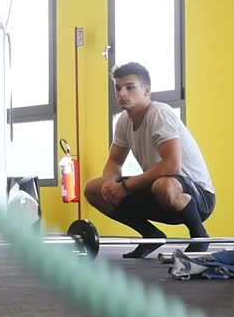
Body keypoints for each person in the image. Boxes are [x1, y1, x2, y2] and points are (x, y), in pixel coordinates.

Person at [84, 62, 215, 259]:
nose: (122, 93)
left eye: (130, 87)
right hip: (160, 191)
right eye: (118, 88)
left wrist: (125, 187)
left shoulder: (159, 113)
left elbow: (172, 165)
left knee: (164, 185)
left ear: (147, 91)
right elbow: (114, 161)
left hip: (198, 197)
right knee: (93, 189)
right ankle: (151, 236)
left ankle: (199, 236)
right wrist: (109, 183)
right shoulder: (123, 121)